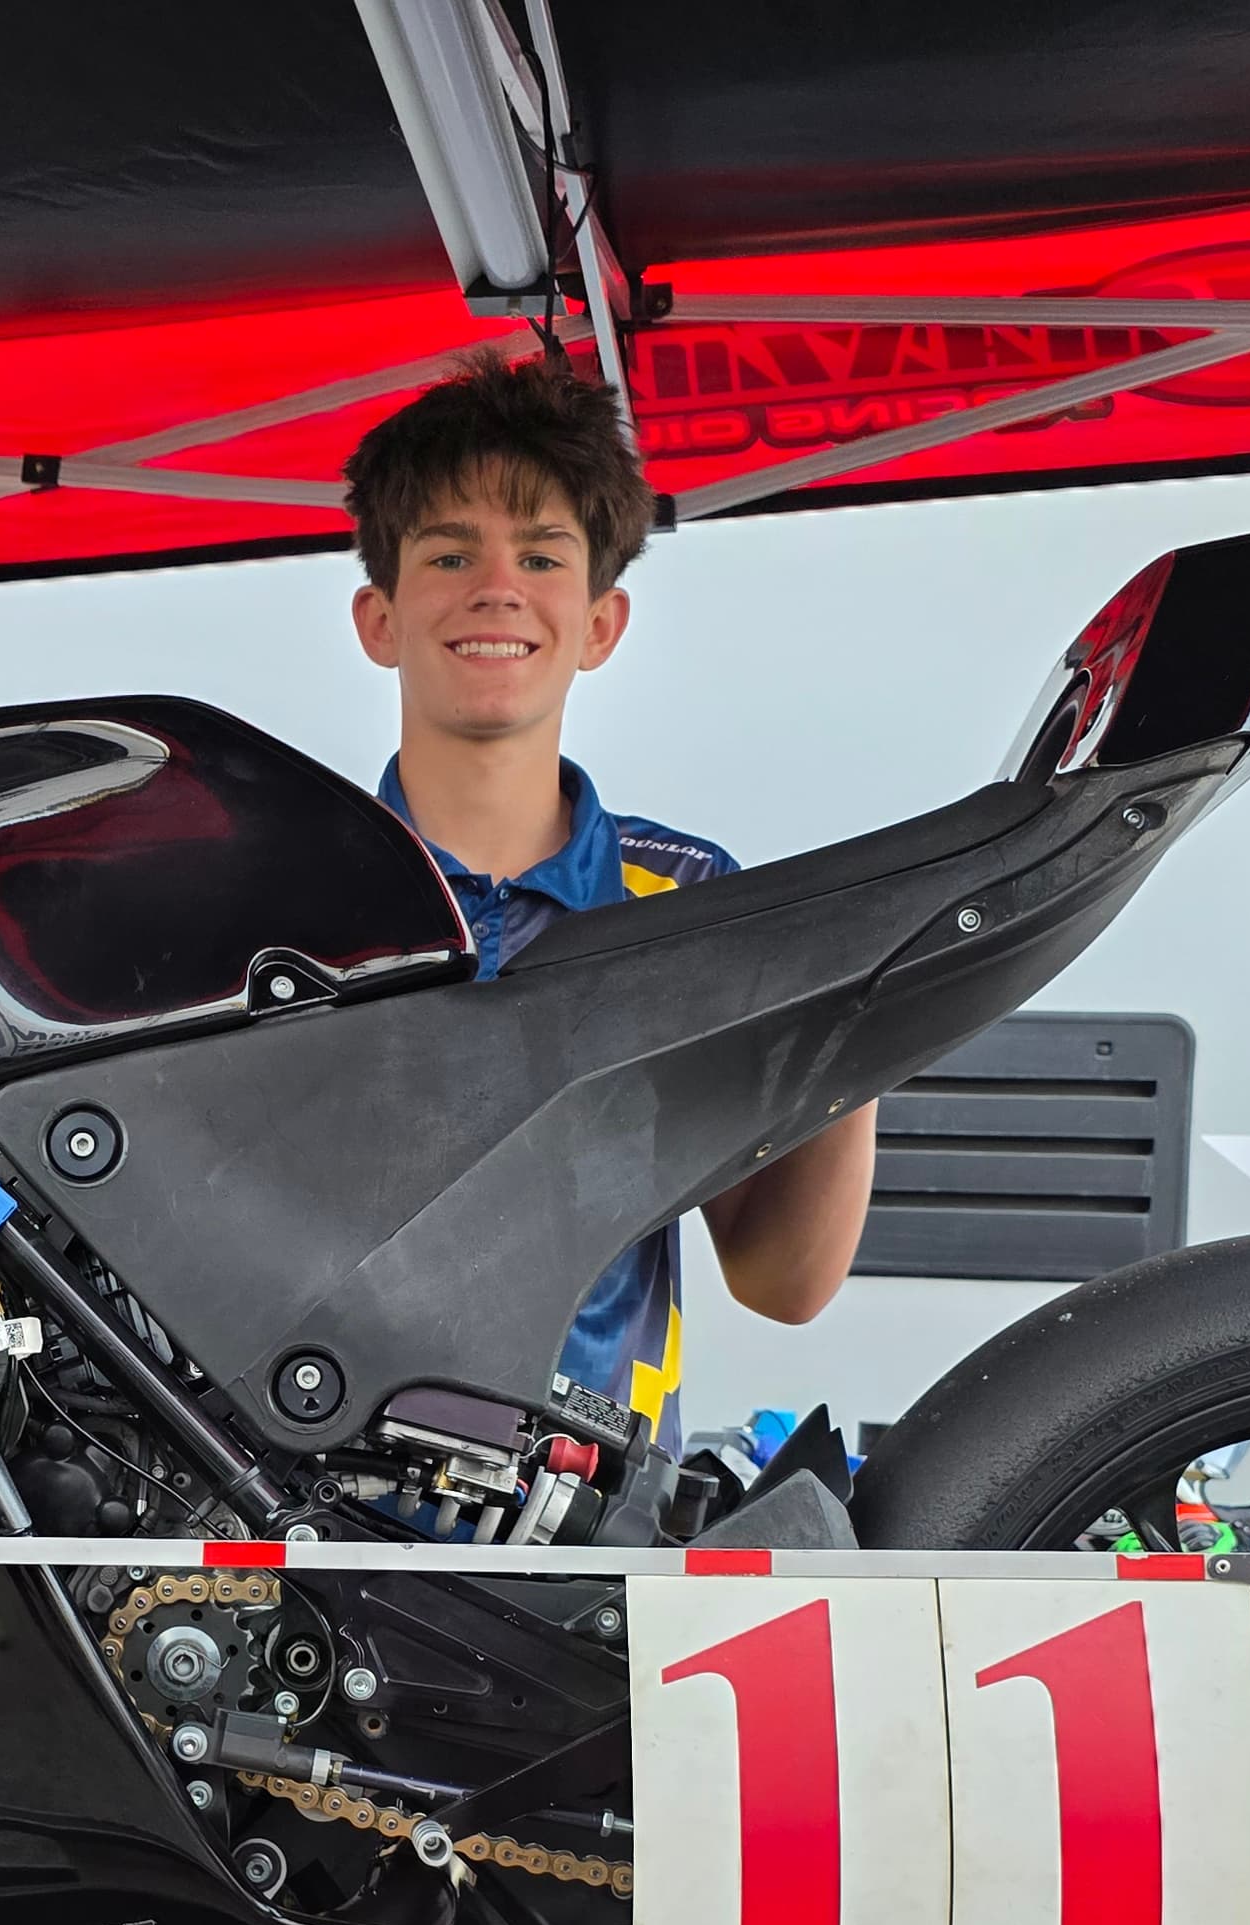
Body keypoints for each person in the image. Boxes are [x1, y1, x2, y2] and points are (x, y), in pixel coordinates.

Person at [342, 350, 878, 1462]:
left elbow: (783, 1280)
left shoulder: (686, 897)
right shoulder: (293, 887)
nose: (497, 587)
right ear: (380, 619)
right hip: (301, 1521)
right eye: (450, 553)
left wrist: (868, 1011)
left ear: (599, 624)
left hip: (590, 1526)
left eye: (541, 555)